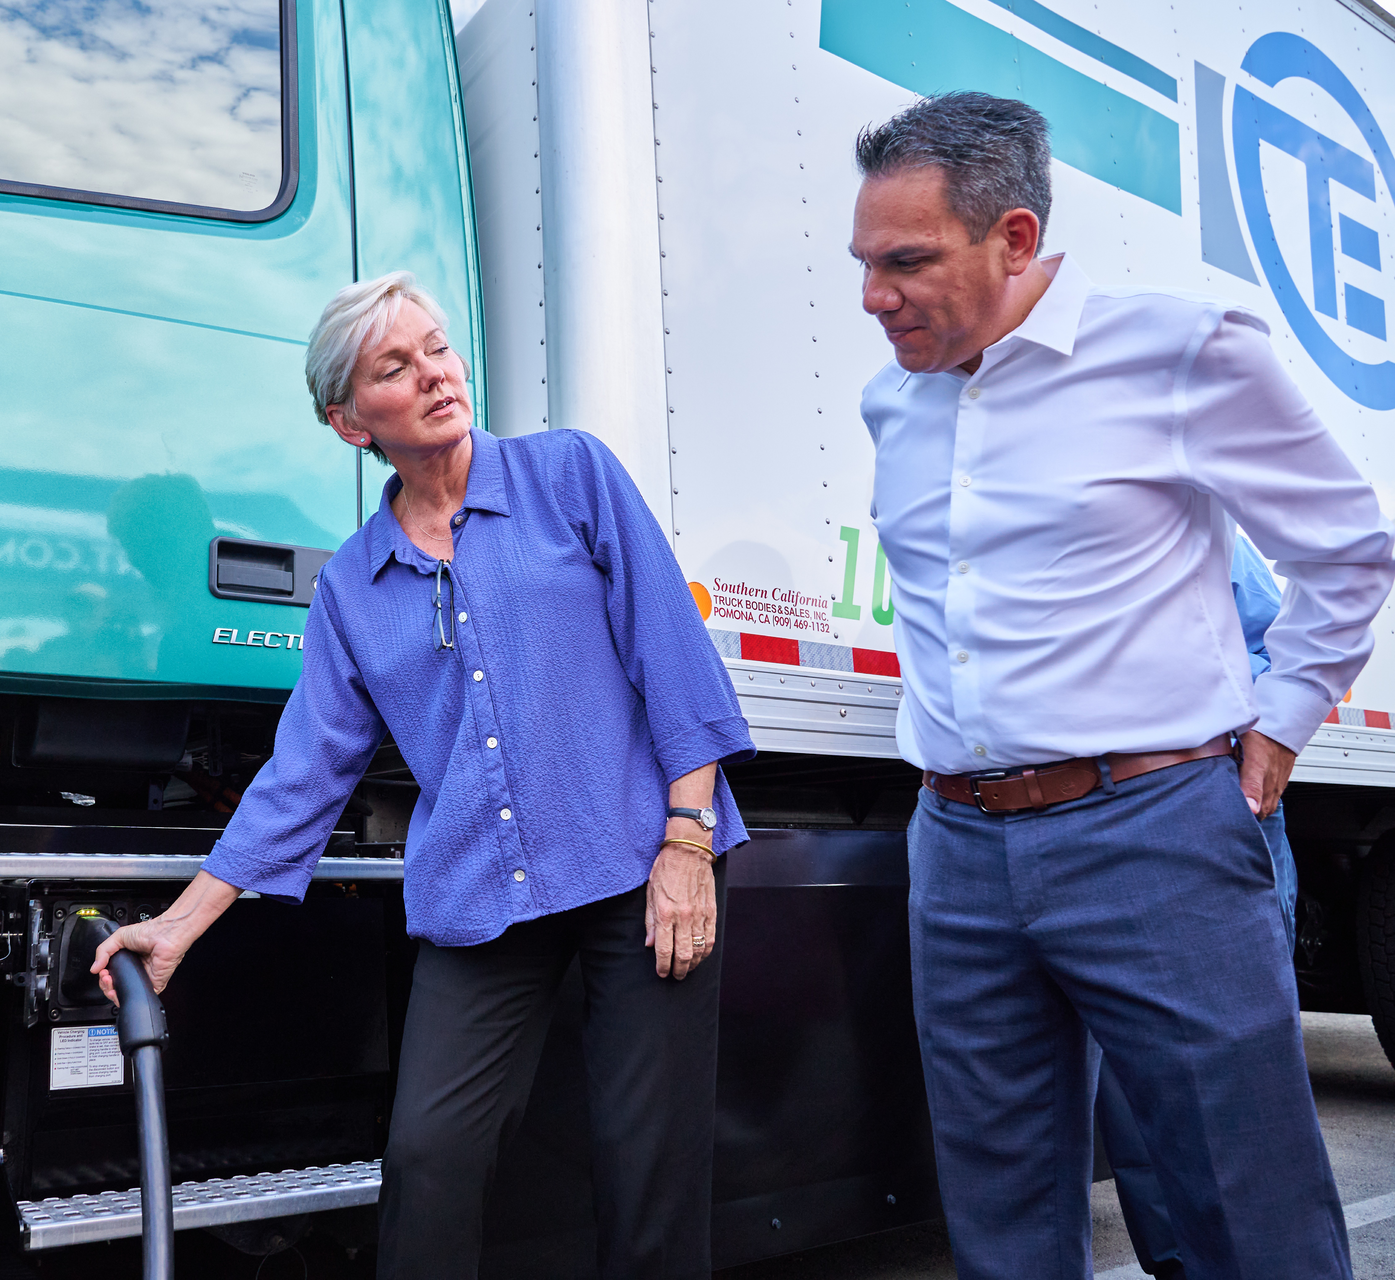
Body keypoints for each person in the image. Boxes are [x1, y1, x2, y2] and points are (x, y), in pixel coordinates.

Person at [91, 272, 754, 1278]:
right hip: (484, 892)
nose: (436, 374)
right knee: (427, 1157)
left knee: (643, 1166)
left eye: (437, 348)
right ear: (351, 420)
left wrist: (688, 842)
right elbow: (304, 772)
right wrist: (178, 925)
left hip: (639, 860)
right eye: (397, 366)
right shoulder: (352, 586)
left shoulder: (569, 475)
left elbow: (672, 655)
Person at [849, 91, 1391, 1279]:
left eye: (907, 261)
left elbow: (1349, 550)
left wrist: (1281, 725)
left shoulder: (1181, 351)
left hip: (1152, 831)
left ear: (1016, 239)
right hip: (957, 845)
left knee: (1244, 1205)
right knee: (999, 1215)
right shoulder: (894, 400)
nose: (875, 296)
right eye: (865, 263)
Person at [1099, 533, 1299, 1280]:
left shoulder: (1189, 518)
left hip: (1209, 796)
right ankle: (1182, 1264)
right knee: (1136, 1078)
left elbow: (1276, 640)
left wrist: (1258, 744)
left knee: (1234, 1062)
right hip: (1101, 812)